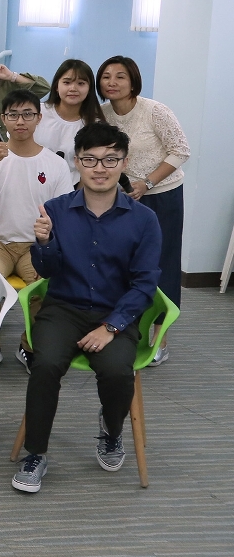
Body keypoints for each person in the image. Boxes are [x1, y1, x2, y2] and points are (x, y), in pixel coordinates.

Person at [13, 123, 162, 494]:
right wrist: (43, 243)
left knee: (117, 371)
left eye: (110, 159)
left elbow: (145, 285)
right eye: (90, 159)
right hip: (64, 307)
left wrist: (111, 327)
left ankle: (111, 429)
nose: (100, 168)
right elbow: (47, 271)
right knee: (45, 364)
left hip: (116, 312)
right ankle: (35, 453)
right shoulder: (55, 210)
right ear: (77, 162)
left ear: (124, 162)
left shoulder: (144, 220)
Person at [98, 56, 187, 365]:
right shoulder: (102, 114)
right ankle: (125, 327)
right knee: (124, 263)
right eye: (106, 76)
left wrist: (147, 183)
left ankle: (160, 336)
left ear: (133, 81)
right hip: (122, 198)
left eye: (120, 76)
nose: (112, 82)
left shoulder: (155, 111)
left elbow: (181, 150)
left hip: (162, 195)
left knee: (162, 264)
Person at [0, 90, 75, 374]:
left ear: (38, 119)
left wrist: (50, 242)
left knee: (44, 289)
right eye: (13, 115)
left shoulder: (55, 163)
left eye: (27, 114)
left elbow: (63, 214)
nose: (20, 121)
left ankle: (29, 346)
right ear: (3, 119)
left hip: (35, 245)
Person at [34, 59, 103, 186]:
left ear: (89, 89)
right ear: (56, 86)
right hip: (31, 181)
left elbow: (91, 168)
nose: (73, 88)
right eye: (67, 82)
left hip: (70, 188)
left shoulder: (95, 125)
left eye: (81, 83)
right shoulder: (37, 112)